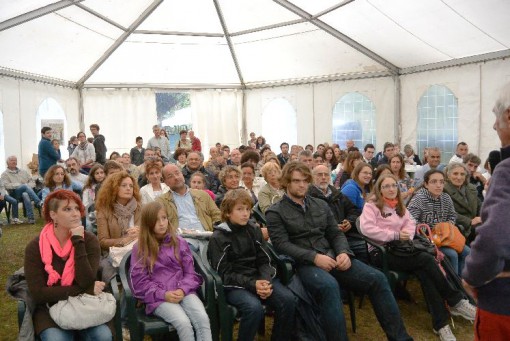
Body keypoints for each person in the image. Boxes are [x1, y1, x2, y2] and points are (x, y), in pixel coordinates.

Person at [266, 162, 412, 341]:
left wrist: (343, 251)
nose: (302, 185)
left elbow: (335, 233)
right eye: (296, 181)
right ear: (286, 182)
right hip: (303, 264)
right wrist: (314, 257)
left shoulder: (320, 204)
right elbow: (281, 245)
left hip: (333, 256)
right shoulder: (275, 211)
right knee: (330, 286)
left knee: (378, 279)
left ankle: (401, 338)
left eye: (305, 180)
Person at [360, 174, 476, 340]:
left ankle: (441, 325)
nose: (391, 189)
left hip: (403, 249)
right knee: (426, 259)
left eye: (394, 185)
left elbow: (411, 222)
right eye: (386, 186)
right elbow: (367, 229)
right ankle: (455, 300)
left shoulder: (399, 205)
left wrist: (405, 232)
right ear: (379, 189)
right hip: (382, 252)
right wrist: (395, 235)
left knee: (425, 272)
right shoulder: (372, 206)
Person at [209, 189, 296, 341]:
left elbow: (265, 260)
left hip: (259, 279)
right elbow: (224, 274)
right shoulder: (219, 237)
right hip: (234, 285)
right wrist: (253, 284)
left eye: (248, 209)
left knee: (288, 300)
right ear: (228, 212)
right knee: (253, 308)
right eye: (240, 209)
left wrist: (265, 281)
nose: (245, 213)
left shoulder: (254, 229)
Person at [24, 190, 112, 341]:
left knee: (102, 336)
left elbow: (85, 280)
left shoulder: (89, 240)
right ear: (53, 215)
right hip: (50, 308)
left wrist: (78, 241)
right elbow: (39, 294)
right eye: (67, 209)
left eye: (77, 208)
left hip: (85, 305)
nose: (75, 213)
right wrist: (86, 289)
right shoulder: (35, 246)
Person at [463, 82, 510, 339]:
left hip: (503, 303)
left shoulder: (506, 169)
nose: (494, 126)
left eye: (495, 116)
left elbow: (493, 238)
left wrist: (473, 276)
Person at [130, 201, 212, 341]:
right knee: (183, 323)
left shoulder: (179, 242)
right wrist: (164, 294)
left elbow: (190, 273)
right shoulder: (141, 248)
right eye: (156, 220)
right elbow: (139, 283)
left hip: (183, 291)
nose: (162, 223)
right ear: (148, 223)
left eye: (164, 218)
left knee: (203, 319)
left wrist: (183, 289)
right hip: (159, 298)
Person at [407, 169, 470, 276]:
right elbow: (410, 223)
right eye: (434, 182)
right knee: (452, 254)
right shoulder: (418, 199)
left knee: (468, 253)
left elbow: (452, 215)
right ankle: (451, 287)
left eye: (441, 182)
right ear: (426, 184)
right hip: (426, 240)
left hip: (445, 237)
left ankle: (461, 281)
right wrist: (433, 232)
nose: (438, 185)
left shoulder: (446, 197)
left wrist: (446, 227)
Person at [309, 165, 368, 263]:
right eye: (319, 175)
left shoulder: (337, 194)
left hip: (344, 236)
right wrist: (332, 227)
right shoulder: (309, 196)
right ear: (312, 177)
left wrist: (349, 222)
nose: (323, 177)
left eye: (326, 175)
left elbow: (354, 210)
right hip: (324, 241)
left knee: (366, 247)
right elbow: (310, 222)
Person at [158, 164, 221, 234]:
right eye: (170, 176)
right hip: (181, 239)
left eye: (177, 173)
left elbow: (216, 214)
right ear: (165, 182)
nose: (176, 177)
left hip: (206, 235)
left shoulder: (203, 195)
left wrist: (216, 231)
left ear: (182, 174)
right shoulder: (161, 201)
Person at [96, 171, 141, 253]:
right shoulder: (104, 210)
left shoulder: (139, 208)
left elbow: (151, 232)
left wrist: (141, 234)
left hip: (140, 250)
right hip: (117, 254)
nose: (128, 188)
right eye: (124, 185)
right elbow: (102, 241)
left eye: (131, 186)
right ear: (114, 188)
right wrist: (126, 240)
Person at [443, 163, 481, 243]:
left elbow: (480, 206)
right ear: (448, 175)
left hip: (475, 226)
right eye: (455, 174)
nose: (459, 177)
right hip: (459, 227)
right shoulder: (443, 190)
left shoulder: (471, 188)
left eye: (462, 174)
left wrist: (483, 217)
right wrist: (469, 221)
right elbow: (447, 213)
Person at [1, 155, 43, 224]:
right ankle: (38, 202)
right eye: (12, 160)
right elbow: (6, 185)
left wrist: (27, 186)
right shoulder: (4, 174)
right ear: (7, 163)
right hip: (14, 194)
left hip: (27, 192)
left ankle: (31, 218)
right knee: (24, 186)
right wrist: (19, 185)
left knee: (25, 194)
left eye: (15, 160)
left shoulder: (23, 171)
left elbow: (32, 181)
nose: (14, 161)